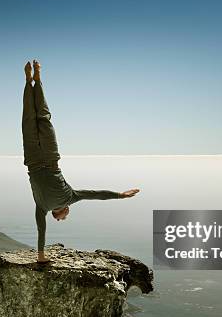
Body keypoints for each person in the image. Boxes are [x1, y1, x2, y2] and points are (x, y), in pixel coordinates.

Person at [22, 60, 140, 263]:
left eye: (63, 218)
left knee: (36, 118)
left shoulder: (55, 203)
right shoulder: (51, 203)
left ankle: (30, 81)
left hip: (42, 158)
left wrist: (121, 195)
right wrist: (120, 195)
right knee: (35, 119)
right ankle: (35, 80)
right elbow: (96, 195)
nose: (65, 217)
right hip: (39, 159)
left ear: (57, 214)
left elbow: (96, 194)